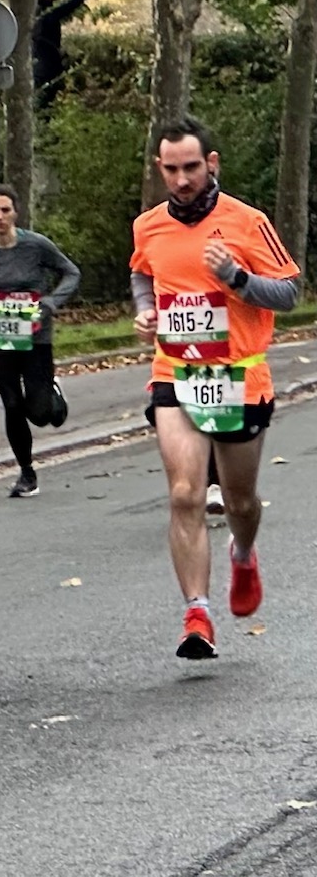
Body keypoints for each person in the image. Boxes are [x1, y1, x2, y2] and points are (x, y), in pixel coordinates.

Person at [131, 117, 300, 660]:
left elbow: (291, 293)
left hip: (238, 374)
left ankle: (244, 553)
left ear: (212, 164)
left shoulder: (247, 222)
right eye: (171, 169)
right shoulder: (149, 226)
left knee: (238, 500)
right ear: (160, 168)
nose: (182, 180)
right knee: (185, 492)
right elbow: (141, 272)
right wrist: (145, 309)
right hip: (175, 373)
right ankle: (197, 613)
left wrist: (237, 279)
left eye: (192, 168)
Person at [0, 184, 80, 498]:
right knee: (12, 405)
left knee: (40, 413)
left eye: (5, 210)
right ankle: (27, 473)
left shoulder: (36, 246)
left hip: (36, 339)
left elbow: (71, 272)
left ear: (15, 213)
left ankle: (51, 393)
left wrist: (51, 304)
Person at [32, 0, 90, 111]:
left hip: (39, 60)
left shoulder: (33, 12)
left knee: (43, 94)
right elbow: (66, 7)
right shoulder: (45, 13)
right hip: (46, 62)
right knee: (47, 95)